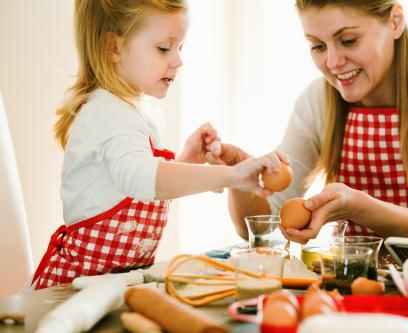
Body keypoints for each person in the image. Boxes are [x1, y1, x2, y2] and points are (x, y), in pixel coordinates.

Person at [31, 0, 283, 290]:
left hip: (110, 285)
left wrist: (186, 160)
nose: (178, 60)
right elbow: (141, 178)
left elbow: (139, 190)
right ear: (113, 48)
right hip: (73, 289)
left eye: (180, 48)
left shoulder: (125, 112)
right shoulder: (108, 114)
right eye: (164, 48)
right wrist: (231, 175)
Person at [207, 0, 408, 245]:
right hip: (358, 284)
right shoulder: (318, 101)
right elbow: (264, 224)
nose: (333, 62)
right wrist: (240, 180)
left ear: (395, 22)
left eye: (348, 40)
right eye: (318, 46)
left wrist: (359, 207)